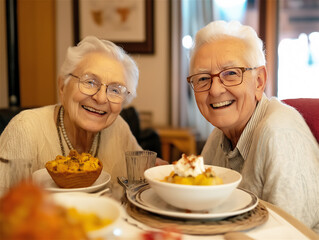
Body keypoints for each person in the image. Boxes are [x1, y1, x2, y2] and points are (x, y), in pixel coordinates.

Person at [187, 20, 319, 233]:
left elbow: (287, 234)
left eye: (230, 73)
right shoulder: (218, 137)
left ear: (259, 81)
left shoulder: (279, 133)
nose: (215, 90)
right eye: (203, 79)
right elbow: (202, 210)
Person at [0, 36, 166, 197]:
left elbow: (143, 180)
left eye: (115, 90)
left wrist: (158, 173)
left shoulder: (119, 128)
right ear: (62, 87)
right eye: (90, 82)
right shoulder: (25, 129)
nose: (101, 98)